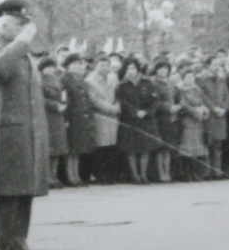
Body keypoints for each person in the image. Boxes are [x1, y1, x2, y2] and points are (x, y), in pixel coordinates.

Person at [0, 0, 49, 250]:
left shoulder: (23, 54)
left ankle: (20, 245)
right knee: (8, 192)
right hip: (7, 131)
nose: (23, 30)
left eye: (23, 25)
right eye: (17, 25)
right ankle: (8, 249)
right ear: (3, 25)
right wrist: (20, 43)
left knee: (24, 191)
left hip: (28, 132)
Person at [116, 58, 159, 184]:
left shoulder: (147, 83)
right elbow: (122, 101)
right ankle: (135, 175)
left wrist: (146, 112)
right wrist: (134, 112)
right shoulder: (122, 85)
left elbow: (155, 101)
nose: (131, 71)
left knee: (145, 149)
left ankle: (143, 174)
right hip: (130, 120)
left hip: (146, 120)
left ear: (138, 69)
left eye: (133, 68)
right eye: (129, 68)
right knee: (131, 149)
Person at [85, 54, 121, 184]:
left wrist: (117, 106)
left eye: (107, 65)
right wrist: (111, 109)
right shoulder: (90, 80)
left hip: (113, 116)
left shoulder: (113, 78)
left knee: (111, 146)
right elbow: (94, 100)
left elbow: (118, 95)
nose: (105, 67)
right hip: (100, 116)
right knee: (101, 146)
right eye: (101, 65)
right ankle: (100, 175)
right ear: (96, 66)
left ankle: (111, 175)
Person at [62, 53, 96, 186]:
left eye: (79, 63)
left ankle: (76, 176)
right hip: (72, 118)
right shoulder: (64, 79)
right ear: (68, 66)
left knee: (78, 149)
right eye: (74, 64)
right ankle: (70, 176)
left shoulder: (81, 80)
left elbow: (86, 100)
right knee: (71, 150)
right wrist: (65, 118)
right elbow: (64, 100)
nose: (77, 66)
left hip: (82, 118)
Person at [197, 54, 229, 179]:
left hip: (221, 116)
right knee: (208, 143)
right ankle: (207, 171)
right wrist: (213, 108)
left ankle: (217, 170)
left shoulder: (221, 80)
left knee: (218, 144)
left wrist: (225, 108)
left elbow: (227, 96)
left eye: (219, 65)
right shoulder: (201, 79)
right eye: (215, 64)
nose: (217, 67)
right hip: (209, 116)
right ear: (208, 65)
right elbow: (202, 96)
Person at [40, 57, 68, 188]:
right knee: (48, 148)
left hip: (58, 117)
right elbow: (40, 99)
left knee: (58, 148)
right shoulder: (39, 81)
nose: (50, 69)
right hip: (47, 116)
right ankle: (46, 177)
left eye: (52, 66)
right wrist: (55, 105)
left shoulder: (57, 80)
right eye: (48, 67)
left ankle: (53, 175)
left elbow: (64, 95)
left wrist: (64, 104)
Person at [177, 67, 209, 181]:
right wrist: (195, 112)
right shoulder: (180, 90)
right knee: (186, 149)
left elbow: (203, 101)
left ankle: (196, 173)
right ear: (183, 78)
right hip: (187, 121)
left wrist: (205, 110)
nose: (190, 79)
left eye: (192, 77)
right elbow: (183, 104)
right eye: (187, 77)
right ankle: (186, 173)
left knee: (197, 148)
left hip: (198, 122)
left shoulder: (197, 89)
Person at [151, 60, 180, 183]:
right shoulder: (153, 83)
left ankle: (167, 172)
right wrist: (168, 107)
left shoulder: (171, 83)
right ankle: (160, 173)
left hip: (171, 118)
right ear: (156, 70)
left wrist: (178, 106)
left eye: (166, 68)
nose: (163, 71)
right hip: (160, 118)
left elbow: (178, 97)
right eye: (161, 68)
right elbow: (155, 101)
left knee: (168, 147)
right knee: (160, 147)